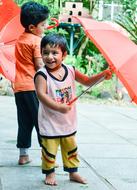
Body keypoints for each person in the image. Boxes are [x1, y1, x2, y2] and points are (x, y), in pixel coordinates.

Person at [34, 33, 112, 186]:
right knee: (49, 151)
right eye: (45, 52)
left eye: (54, 53)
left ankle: (73, 172)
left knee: (71, 149)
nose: (50, 57)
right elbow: (41, 95)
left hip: (68, 121)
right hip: (49, 122)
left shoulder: (70, 70)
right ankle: (49, 174)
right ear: (41, 53)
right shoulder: (42, 75)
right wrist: (58, 107)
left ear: (64, 55)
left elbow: (87, 81)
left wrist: (102, 75)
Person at [14, 1, 49, 165]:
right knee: (41, 121)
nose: (46, 26)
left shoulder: (20, 39)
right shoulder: (36, 41)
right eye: (43, 24)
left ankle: (23, 155)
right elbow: (39, 65)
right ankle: (47, 156)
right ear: (32, 27)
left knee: (24, 121)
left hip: (19, 88)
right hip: (32, 87)